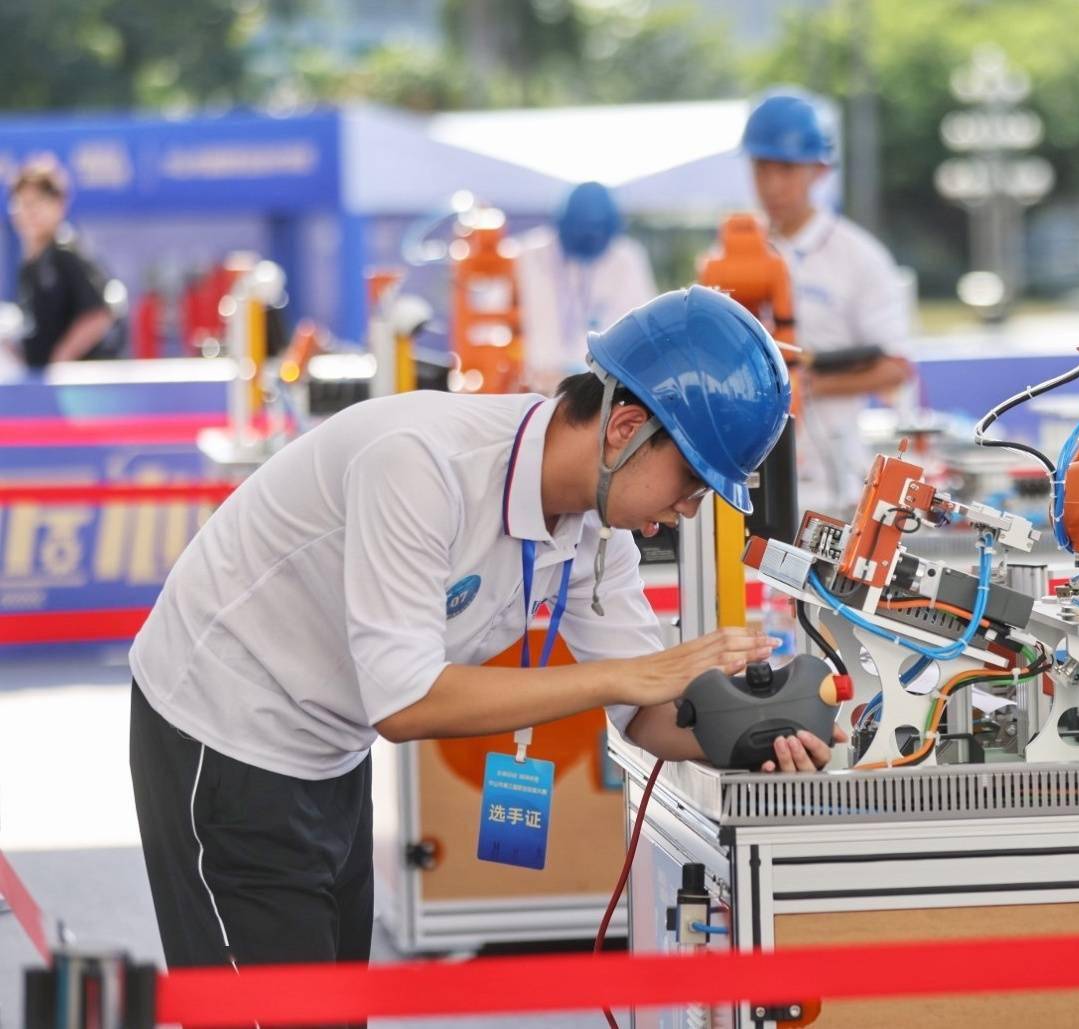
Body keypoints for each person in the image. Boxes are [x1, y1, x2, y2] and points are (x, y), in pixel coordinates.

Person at [127, 285, 838, 975]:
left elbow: (646, 714)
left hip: (330, 750)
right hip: (222, 730)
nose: (689, 509)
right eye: (691, 481)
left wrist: (754, 737)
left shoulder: (598, 530)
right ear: (626, 429)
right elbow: (406, 703)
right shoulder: (420, 463)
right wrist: (627, 676)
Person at [741, 89, 915, 512]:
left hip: (831, 480)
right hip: (748, 475)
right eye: (762, 168)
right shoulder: (737, 251)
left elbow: (896, 367)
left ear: (818, 170)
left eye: (786, 169)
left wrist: (807, 385)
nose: (772, 184)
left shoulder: (858, 257)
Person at [519, 181, 658, 393]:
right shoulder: (532, 254)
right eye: (582, 228)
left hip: (604, 384)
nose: (590, 235)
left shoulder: (626, 258)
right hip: (539, 384)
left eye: (597, 228)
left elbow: (642, 325)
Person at [6, 157, 115, 369]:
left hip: (77, 384)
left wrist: (59, 362)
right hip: (40, 383)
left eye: (37, 203)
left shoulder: (65, 253)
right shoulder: (29, 265)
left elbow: (98, 315)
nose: (29, 212)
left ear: (59, 205)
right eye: (22, 203)